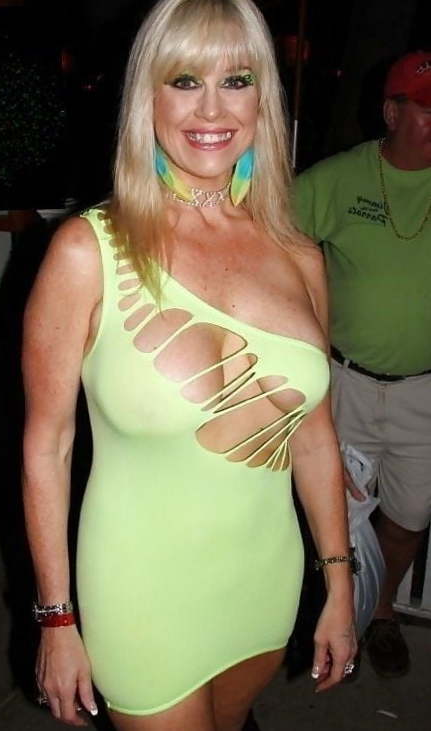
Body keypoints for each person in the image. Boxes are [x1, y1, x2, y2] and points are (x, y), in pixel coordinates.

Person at [22, 1, 356, 729]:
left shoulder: (299, 255)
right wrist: (56, 617)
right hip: (140, 594)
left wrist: (338, 582)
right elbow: (48, 445)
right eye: (183, 81)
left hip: (263, 583)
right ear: (147, 97)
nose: (211, 109)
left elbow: (314, 437)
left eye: (236, 80)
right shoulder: (87, 251)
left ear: (263, 99)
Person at [293, 50, 431, 679]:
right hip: (344, 383)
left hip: (423, 393)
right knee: (329, 515)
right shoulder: (339, 178)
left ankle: (380, 609)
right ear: (391, 113)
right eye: (427, 109)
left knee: (409, 517)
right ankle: (329, 615)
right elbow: (268, 247)